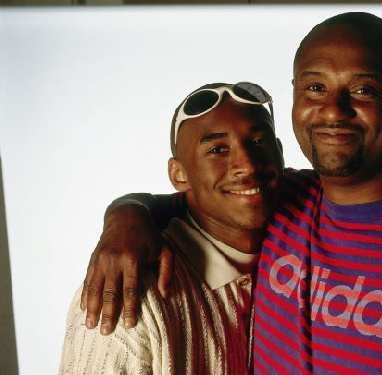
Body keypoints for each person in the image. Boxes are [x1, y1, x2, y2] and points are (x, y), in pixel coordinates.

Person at [80, 12, 382, 373]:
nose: (334, 110)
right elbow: (200, 196)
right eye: (315, 87)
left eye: (364, 90)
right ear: (294, 97)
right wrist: (125, 216)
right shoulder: (280, 202)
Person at [60, 82, 285, 374]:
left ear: (280, 153)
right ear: (179, 175)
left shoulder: (296, 241)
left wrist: (128, 209)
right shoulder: (129, 290)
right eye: (218, 149)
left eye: (258, 142)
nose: (247, 165)